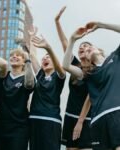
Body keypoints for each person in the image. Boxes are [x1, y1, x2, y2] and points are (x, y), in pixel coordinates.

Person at [63, 21, 120, 150]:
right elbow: (65, 66)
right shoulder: (88, 73)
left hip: (116, 114)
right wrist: (72, 39)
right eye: (86, 51)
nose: (87, 49)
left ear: (99, 50)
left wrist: (101, 25)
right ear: (87, 59)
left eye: (90, 47)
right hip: (97, 121)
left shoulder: (115, 58)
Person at [55, 6, 92, 150]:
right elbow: (66, 44)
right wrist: (57, 22)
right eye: (80, 46)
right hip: (70, 116)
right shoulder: (75, 65)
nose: (82, 47)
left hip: (86, 118)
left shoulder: (95, 71)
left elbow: (90, 97)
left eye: (87, 47)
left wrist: (81, 121)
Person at [29, 35, 66, 150]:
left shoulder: (59, 76)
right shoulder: (40, 74)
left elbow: (60, 68)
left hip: (51, 120)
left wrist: (48, 49)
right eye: (43, 58)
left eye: (48, 57)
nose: (45, 59)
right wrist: (31, 37)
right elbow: (32, 55)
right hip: (34, 119)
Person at [0, 48, 35, 150]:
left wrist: (28, 60)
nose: (14, 56)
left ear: (24, 62)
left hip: (19, 127)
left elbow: (30, 84)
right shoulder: (4, 75)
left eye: (18, 55)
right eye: (12, 55)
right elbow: (0, 68)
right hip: (1, 126)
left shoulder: (26, 77)